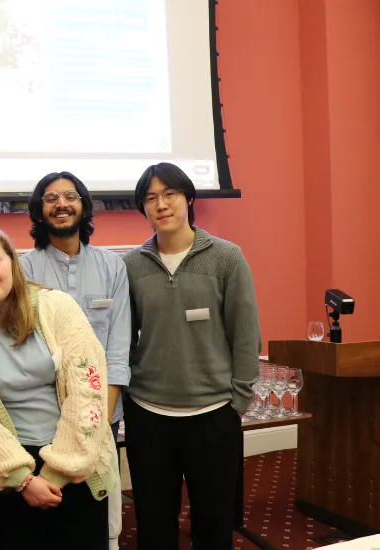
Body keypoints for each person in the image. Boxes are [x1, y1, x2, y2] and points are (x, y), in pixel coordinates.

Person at [0, 223, 118, 550]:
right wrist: (23, 480)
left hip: (76, 467)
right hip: (10, 474)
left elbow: (89, 391)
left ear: (12, 262)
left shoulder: (56, 307)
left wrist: (55, 474)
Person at [124, 162, 260, 550]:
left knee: (214, 522)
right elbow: (123, 339)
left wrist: (239, 399)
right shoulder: (131, 266)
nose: (161, 204)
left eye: (169, 194)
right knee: (153, 520)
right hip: (149, 414)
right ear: (143, 208)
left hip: (214, 412)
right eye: (150, 198)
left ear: (188, 198)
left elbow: (246, 332)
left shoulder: (226, 257)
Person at [20, 171, 129, 549]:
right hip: (46, 417)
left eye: (70, 196)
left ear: (84, 205)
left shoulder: (113, 267)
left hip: (101, 412)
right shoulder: (23, 270)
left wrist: (102, 421)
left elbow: (118, 348)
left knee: (97, 515)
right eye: (50, 198)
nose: (61, 204)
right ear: (39, 211)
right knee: (49, 512)